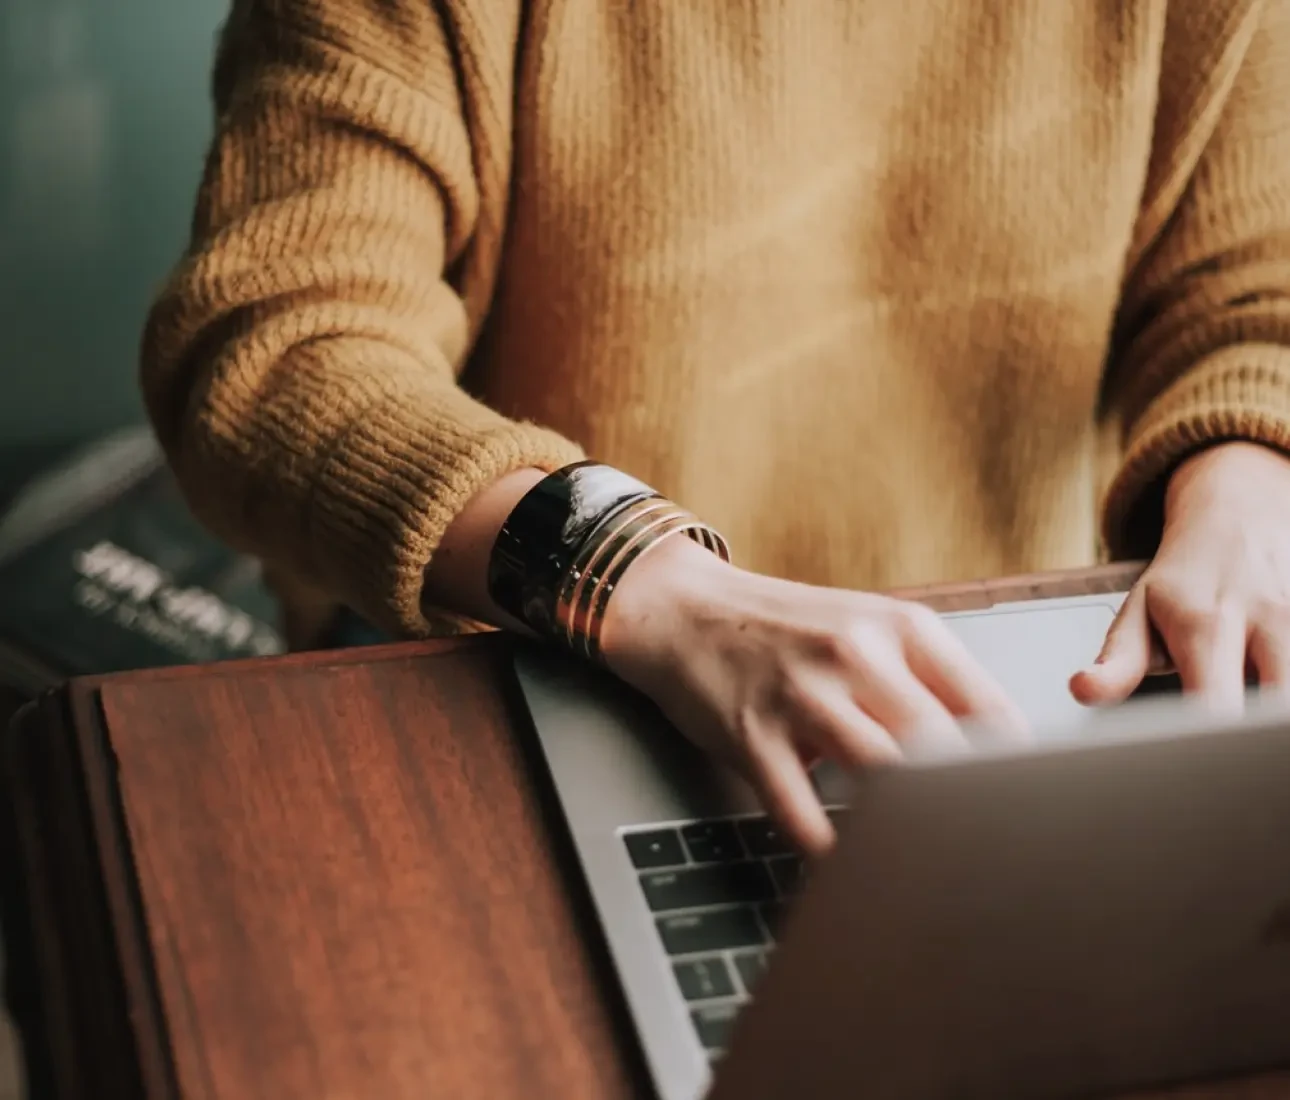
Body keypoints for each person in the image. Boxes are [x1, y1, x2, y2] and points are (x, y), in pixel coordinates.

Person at [140, 0, 1290, 855]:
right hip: (538, 668)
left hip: (1028, 696)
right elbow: (277, 347)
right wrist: (644, 582)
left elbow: (1254, 302)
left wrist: (1243, 489)